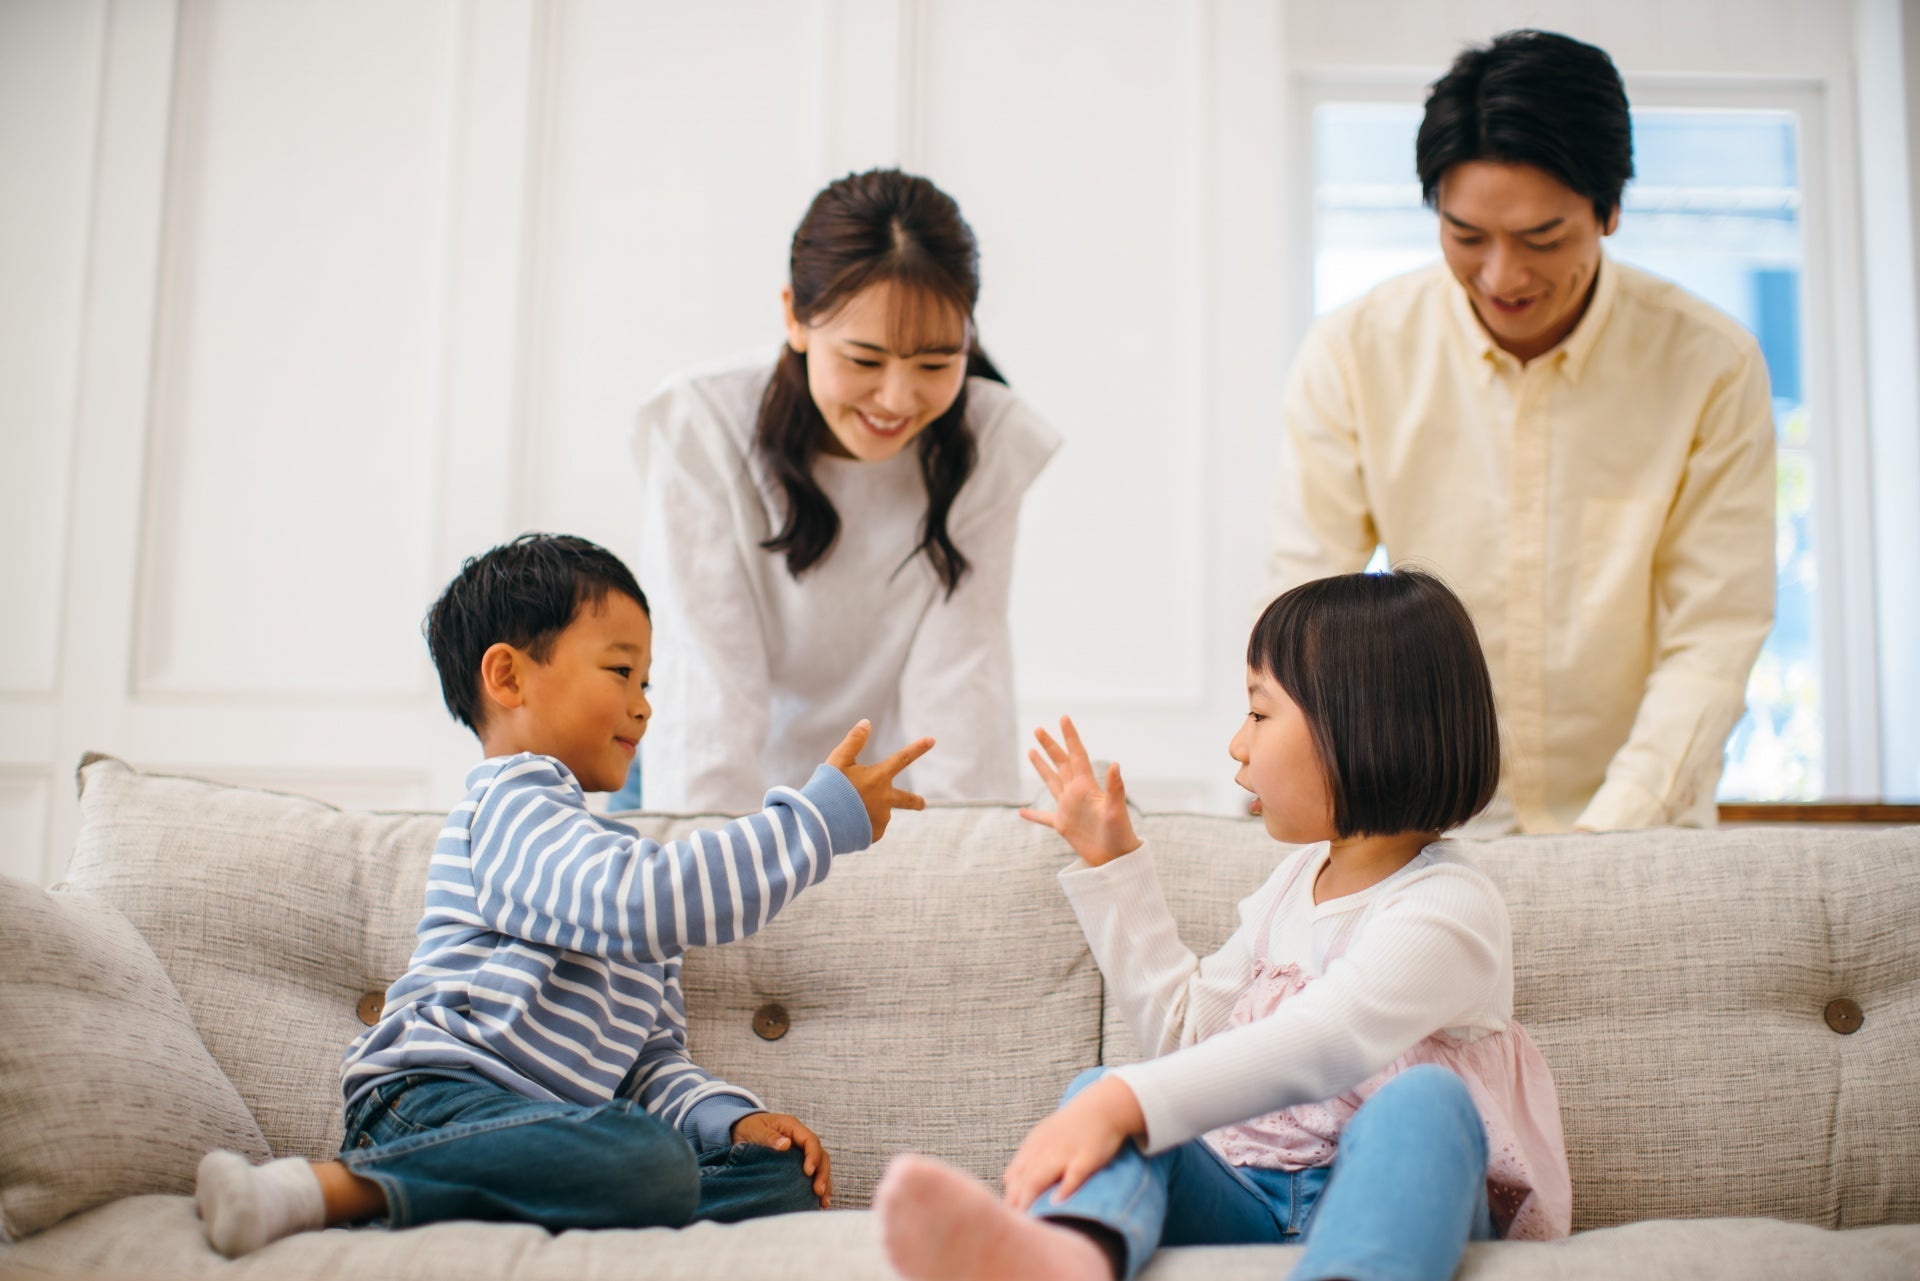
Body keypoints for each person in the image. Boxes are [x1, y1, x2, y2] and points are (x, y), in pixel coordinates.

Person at [191, 533, 932, 1256]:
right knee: (644, 1158)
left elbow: (649, 1064)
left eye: (647, 684)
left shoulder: (611, 857)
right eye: (621, 672)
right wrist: (818, 823)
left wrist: (729, 1121)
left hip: (560, 1132)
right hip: (432, 1101)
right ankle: (335, 1190)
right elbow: (640, 902)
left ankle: (491, 1203)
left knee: (776, 1182)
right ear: (509, 678)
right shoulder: (514, 806)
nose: (644, 708)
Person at [874, 569, 1571, 1281]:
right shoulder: (1290, 886)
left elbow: (1326, 1038)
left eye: (1260, 714)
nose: (1238, 745)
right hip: (1249, 1198)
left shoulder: (1450, 906)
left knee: (1425, 1103)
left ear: (1363, 721)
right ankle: (1069, 1254)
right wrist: (1117, 865)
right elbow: (1185, 1038)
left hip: (1389, 1203)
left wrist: (1129, 1100)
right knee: (1098, 1087)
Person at [1270, 29, 1776, 834]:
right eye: (1467, 237)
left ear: (1609, 210)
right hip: (1423, 833)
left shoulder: (1710, 364)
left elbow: (1714, 631)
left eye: (1542, 239)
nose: (1503, 276)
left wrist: (1606, 837)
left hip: (1639, 835)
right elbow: (1303, 617)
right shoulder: (1354, 353)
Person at [611, 167, 1058, 814]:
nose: (898, 399)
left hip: (859, 797)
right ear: (795, 316)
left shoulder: (989, 439)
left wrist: (960, 861)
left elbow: (962, 694)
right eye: (865, 360)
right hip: (693, 775)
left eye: (935, 363)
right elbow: (708, 688)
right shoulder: (702, 428)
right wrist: (719, 861)